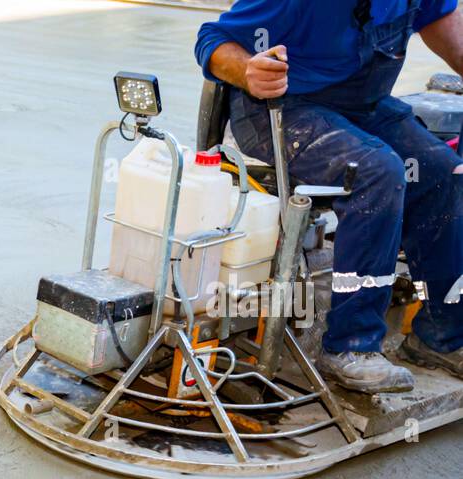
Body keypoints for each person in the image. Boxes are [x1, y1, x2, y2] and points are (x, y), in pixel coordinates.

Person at [197, 0, 463, 393]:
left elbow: (447, 30)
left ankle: (440, 336)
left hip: (362, 106)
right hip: (281, 110)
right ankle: (350, 347)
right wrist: (248, 70)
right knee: (377, 171)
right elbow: (212, 39)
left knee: (442, 171)